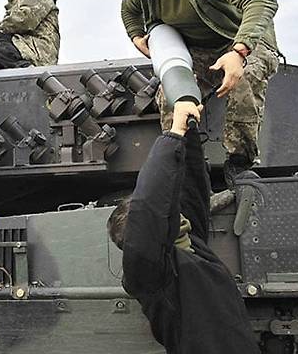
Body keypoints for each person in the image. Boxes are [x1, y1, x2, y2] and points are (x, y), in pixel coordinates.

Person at [120, 0, 280, 198]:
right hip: (198, 51)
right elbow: (128, 11)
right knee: (171, 96)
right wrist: (136, 37)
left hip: (244, 40)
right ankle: (187, 167)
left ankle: (239, 163)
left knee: (246, 78)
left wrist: (239, 50)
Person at [107, 102, 260, 353]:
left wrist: (187, 133)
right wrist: (172, 134)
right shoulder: (149, 273)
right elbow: (149, 205)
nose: (173, 213)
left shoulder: (191, 246)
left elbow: (191, 189)